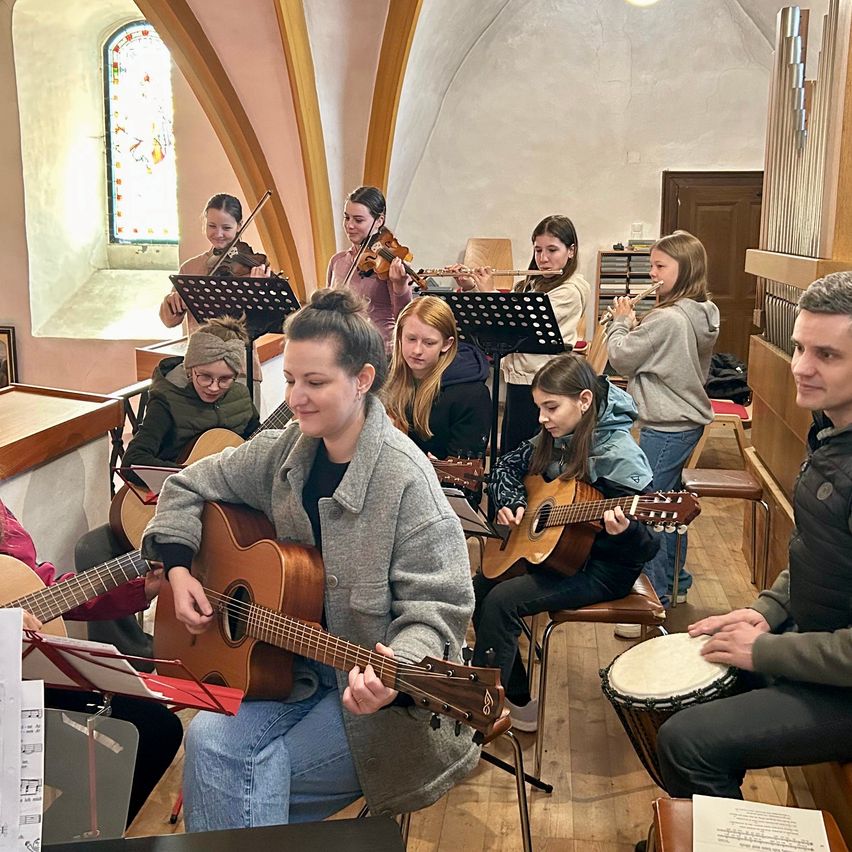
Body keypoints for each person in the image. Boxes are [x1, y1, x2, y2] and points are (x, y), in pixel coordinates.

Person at [140, 288, 479, 831]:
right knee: (207, 738)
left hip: (373, 705)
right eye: (292, 379)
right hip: (285, 671)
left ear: (363, 379)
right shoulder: (284, 449)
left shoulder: (407, 481)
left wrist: (394, 672)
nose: (296, 397)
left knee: (240, 772)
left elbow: (439, 608)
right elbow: (186, 484)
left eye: (315, 382)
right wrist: (179, 569)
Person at [652, 272, 852, 803]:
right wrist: (767, 610)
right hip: (817, 647)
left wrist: (764, 651)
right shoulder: (833, 432)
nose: (801, 368)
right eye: (799, 347)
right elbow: (820, 555)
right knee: (680, 689)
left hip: (843, 683)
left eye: (827, 355)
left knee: (687, 742)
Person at [473, 354, 659, 730]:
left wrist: (624, 531)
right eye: (539, 407)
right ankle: (513, 696)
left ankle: (487, 708)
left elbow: (649, 544)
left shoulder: (619, 455)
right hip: (559, 555)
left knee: (503, 602)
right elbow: (507, 466)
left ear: (585, 400)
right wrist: (513, 501)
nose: (542, 418)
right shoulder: (555, 435)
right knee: (480, 586)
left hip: (604, 568)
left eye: (551, 407)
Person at [0, 499, 181, 825]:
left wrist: (142, 586)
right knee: (108, 773)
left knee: (158, 728)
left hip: (22, 675)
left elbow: (38, 591)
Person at [605, 230, 719, 610]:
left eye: (660, 266)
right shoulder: (701, 310)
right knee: (672, 506)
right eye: (651, 264)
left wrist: (620, 322)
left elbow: (621, 357)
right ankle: (676, 581)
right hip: (684, 422)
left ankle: (655, 596)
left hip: (667, 426)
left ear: (684, 270)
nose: (651, 274)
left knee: (651, 511)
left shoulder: (668, 319)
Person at [456, 215, 590, 453]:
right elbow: (510, 308)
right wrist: (470, 286)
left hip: (543, 378)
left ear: (571, 251)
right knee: (511, 448)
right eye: (538, 250)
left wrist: (489, 292)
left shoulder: (571, 290)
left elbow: (517, 319)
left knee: (528, 451)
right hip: (520, 377)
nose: (543, 258)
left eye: (552, 250)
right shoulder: (534, 283)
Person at [123, 316, 260, 472]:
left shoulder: (240, 396)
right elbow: (132, 461)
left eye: (225, 379)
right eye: (205, 377)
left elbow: (256, 440)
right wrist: (192, 476)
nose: (214, 387)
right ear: (189, 369)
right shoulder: (167, 399)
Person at [159, 193, 268, 385]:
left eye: (226, 228)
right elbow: (169, 321)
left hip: (241, 369)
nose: (218, 234)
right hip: (199, 369)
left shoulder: (253, 268)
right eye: (212, 226)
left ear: (239, 226)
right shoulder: (190, 268)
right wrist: (172, 302)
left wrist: (258, 291)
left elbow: (263, 322)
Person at [383, 295, 491, 462]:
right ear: (399, 336)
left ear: (447, 344)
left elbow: (463, 471)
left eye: (429, 343)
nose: (417, 350)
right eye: (411, 339)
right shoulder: (382, 377)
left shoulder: (471, 394)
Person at [326, 185, 412, 349]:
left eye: (358, 220)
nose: (349, 225)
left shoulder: (389, 264)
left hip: (378, 349)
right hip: (340, 347)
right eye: (347, 218)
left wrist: (400, 287)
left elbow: (405, 319)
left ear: (379, 221)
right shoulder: (337, 261)